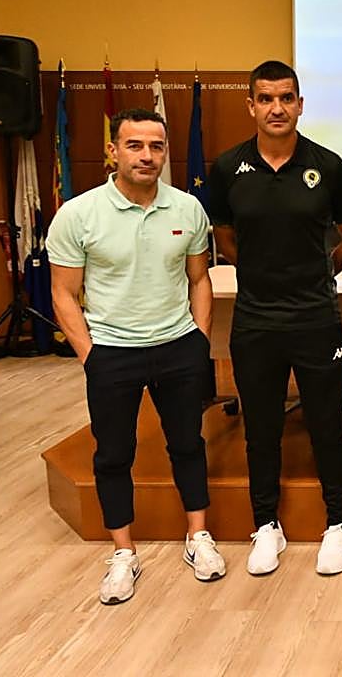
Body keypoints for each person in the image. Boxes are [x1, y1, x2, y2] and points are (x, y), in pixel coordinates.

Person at [49, 108, 225, 605]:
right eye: (134, 145)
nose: (147, 156)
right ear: (113, 151)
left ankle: (198, 536)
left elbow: (199, 279)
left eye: (156, 146)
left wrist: (199, 339)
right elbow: (63, 293)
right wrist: (91, 355)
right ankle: (123, 553)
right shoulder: (79, 214)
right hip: (112, 353)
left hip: (178, 347)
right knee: (113, 455)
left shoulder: (188, 209)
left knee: (188, 444)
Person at [209, 60, 342, 577]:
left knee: (326, 427)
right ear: (251, 105)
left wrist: (316, 272)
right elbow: (224, 235)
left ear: (300, 104)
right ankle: (266, 524)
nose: (277, 108)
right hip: (255, 320)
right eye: (266, 99)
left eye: (286, 98)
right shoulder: (228, 168)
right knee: (261, 429)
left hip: (316, 317)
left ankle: (338, 523)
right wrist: (258, 271)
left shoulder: (329, 166)